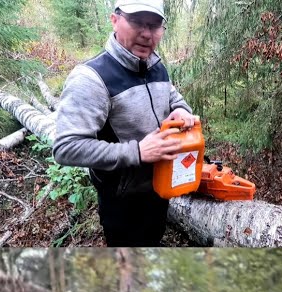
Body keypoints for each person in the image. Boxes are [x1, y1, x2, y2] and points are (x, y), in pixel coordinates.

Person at [53, 0, 201, 246]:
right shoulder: (91, 78)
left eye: (154, 25)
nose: (146, 33)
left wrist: (182, 111)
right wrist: (138, 151)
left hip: (160, 185)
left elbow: (175, 99)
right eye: (137, 22)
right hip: (122, 199)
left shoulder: (156, 66)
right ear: (115, 20)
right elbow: (66, 147)